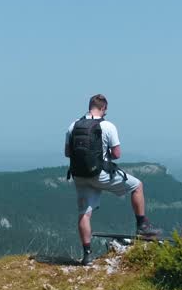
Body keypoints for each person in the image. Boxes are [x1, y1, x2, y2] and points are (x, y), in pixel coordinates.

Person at [65, 94, 163, 264]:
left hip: (79, 175)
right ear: (103, 108)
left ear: (90, 106)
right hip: (100, 174)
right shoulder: (107, 126)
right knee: (137, 186)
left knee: (84, 214)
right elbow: (117, 154)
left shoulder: (73, 125)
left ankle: (87, 255)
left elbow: (68, 153)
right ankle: (142, 226)